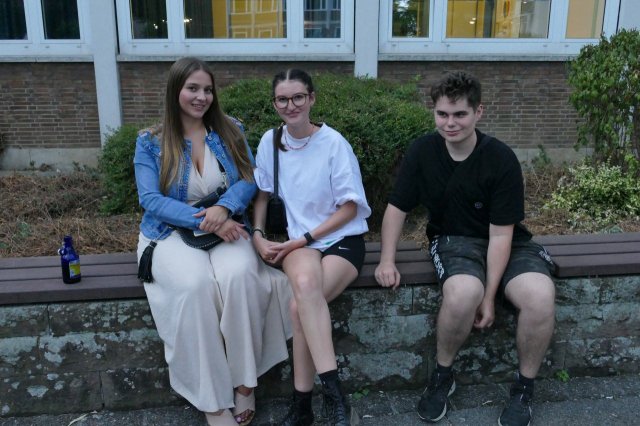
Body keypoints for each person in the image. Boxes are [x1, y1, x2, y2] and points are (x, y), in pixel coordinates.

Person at [374, 71, 556, 426]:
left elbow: (501, 236)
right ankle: (443, 375)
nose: (450, 123)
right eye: (442, 114)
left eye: (460, 114)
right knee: (462, 294)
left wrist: (489, 296)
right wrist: (386, 260)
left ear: (478, 112)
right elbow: (397, 208)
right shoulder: (423, 151)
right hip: (452, 239)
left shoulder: (500, 158)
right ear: (434, 112)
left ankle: (524, 387)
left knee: (540, 295)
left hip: (507, 242)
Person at [133, 57, 292, 426]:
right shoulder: (150, 142)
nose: (201, 96)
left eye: (207, 89)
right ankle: (212, 399)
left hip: (227, 224)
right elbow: (150, 199)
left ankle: (244, 383)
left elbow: (250, 178)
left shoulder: (230, 130)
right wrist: (208, 221)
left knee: (240, 276)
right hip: (169, 234)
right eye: (192, 88)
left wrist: (224, 208)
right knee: (195, 287)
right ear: (175, 91)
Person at [252, 69, 371, 426]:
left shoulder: (334, 143)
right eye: (282, 99)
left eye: (298, 97)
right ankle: (334, 398)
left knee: (298, 305)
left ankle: (306, 404)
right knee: (304, 286)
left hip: (341, 239)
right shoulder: (270, 141)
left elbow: (350, 208)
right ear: (275, 103)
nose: (291, 105)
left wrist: (306, 238)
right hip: (299, 243)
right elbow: (262, 194)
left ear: (312, 98)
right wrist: (257, 233)